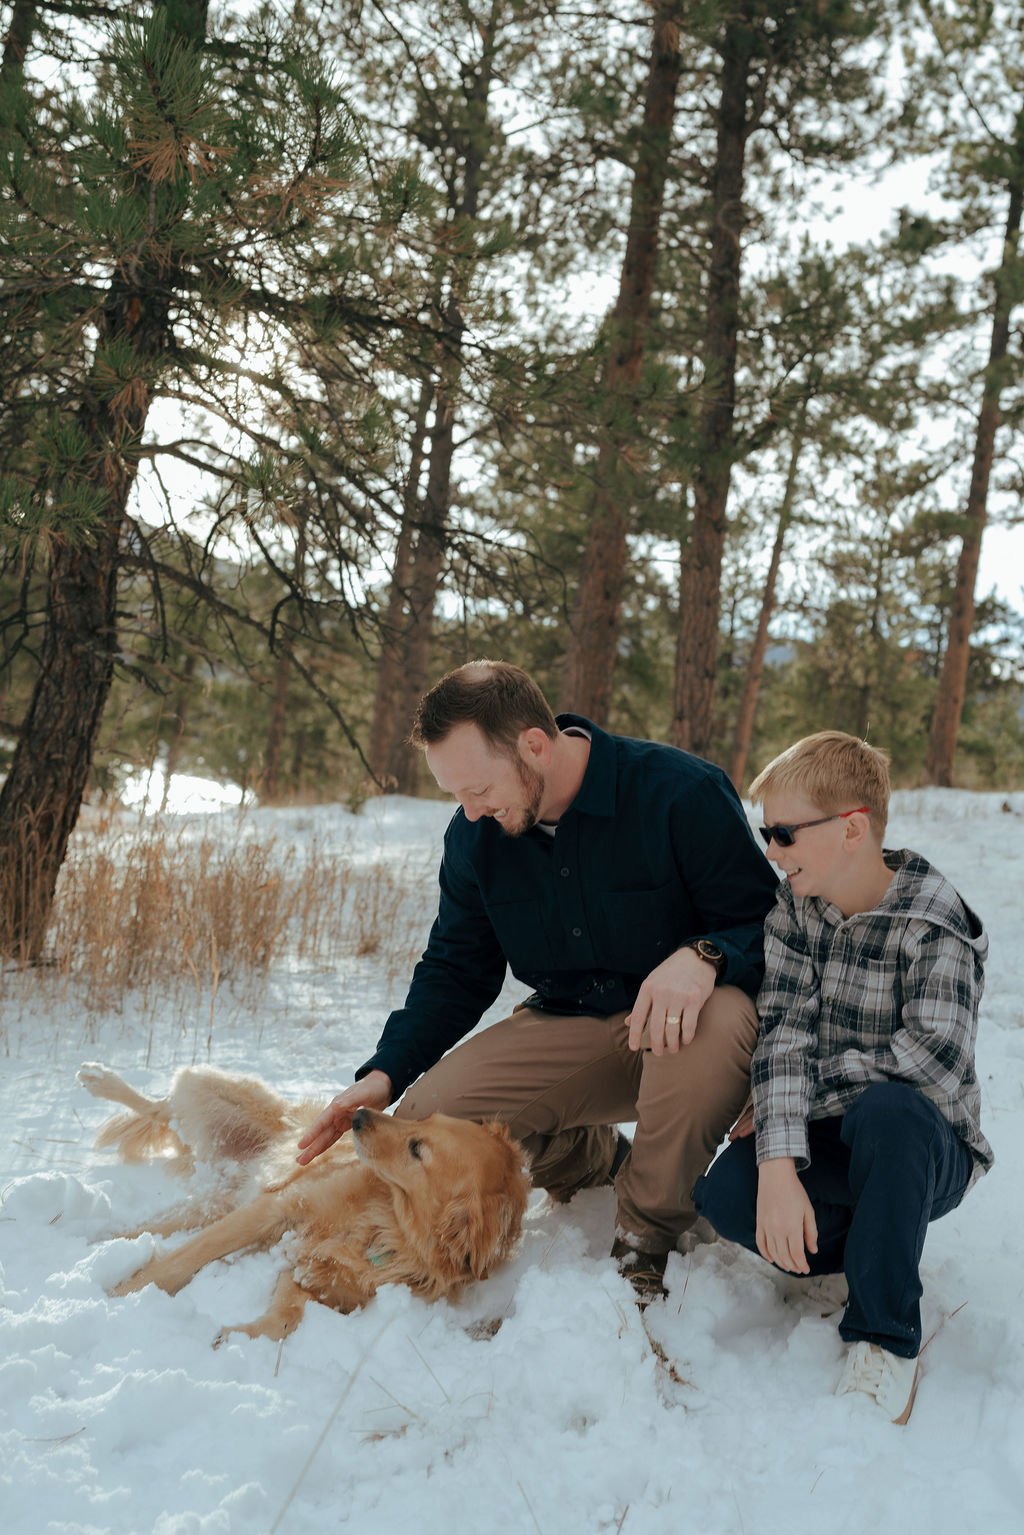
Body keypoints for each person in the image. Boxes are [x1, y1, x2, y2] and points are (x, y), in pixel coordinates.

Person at [298, 660, 778, 1303]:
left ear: (533, 743)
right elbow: (455, 968)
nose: (470, 811)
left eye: (477, 788)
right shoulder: (476, 834)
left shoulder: (678, 792)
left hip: (695, 1033)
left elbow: (773, 929)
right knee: (428, 1122)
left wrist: (707, 955)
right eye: (455, 795)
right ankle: (587, 1160)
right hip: (574, 1026)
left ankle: (645, 1238)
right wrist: (386, 1072)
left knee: (706, 1020)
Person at [693, 730, 992, 1422]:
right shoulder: (798, 909)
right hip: (830, 1131)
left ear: (853, 828)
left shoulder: (935, 924)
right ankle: (866, 1247)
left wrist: (785, 1110)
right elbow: (785, 1033)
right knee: (731, 1193)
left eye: (785, 832)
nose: (772, 850)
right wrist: (776, 1160)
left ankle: (885, 1336)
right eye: (767, 831)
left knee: (889, 1111)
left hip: (923, 1144)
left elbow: (928, 1064)